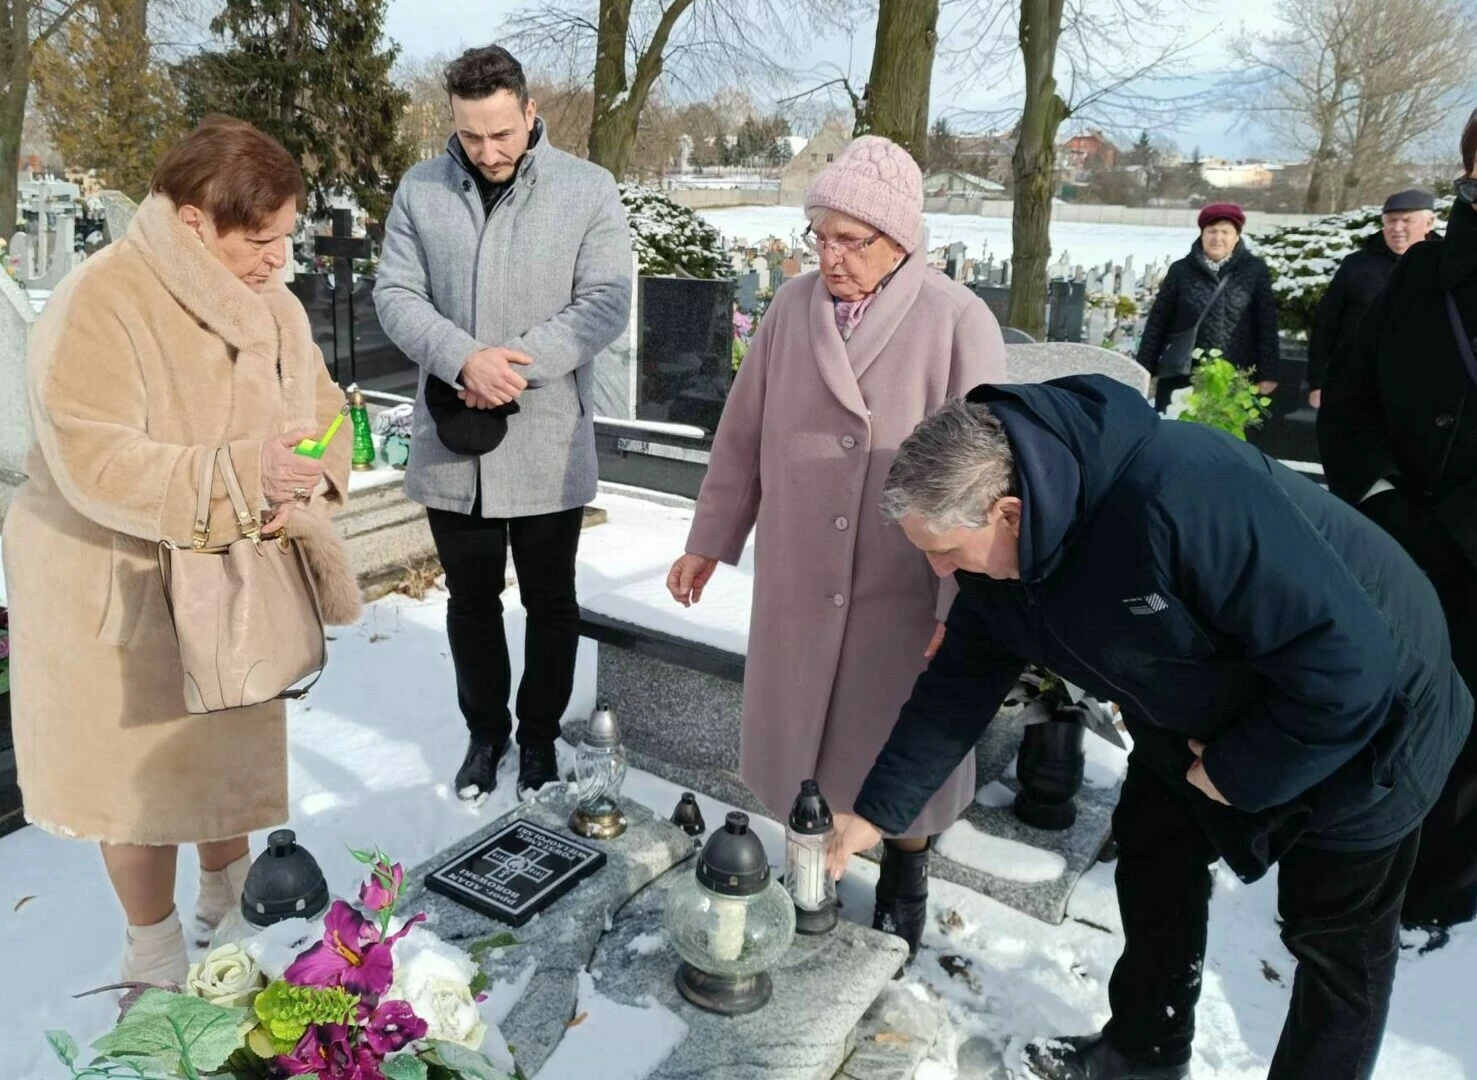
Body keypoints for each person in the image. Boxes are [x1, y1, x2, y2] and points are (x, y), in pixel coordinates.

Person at [826, 377, 1470, 1080]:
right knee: (1155, 853)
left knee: (1334, 944)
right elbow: (959, 684)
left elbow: (1349, 669)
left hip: (1374, 719)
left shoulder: (1180, 496)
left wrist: (1236, 770)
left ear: (1008, 513)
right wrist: (877, 812)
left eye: (945, 550)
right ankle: (1143, 1052)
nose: (938, 569)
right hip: (1196, 701)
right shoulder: (1000, 557)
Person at [0, 117, 362, 984]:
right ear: (194, 218)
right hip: (115, 586)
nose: (279, 260)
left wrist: (306, 475)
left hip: (234, 579)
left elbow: (322, 411)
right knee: (138, 786)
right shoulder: (103, 299)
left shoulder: (272, 303)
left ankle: (227, 898)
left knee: (222, 754)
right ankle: (152, 947)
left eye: (285, 238)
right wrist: (240, 476)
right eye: (260, 240)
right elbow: (94, 458)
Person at [666, 136, 1006, 960]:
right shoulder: (790, 309)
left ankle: (905, 876)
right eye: (819, 236)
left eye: (850, 240)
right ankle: (804, 863)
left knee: (891, 741)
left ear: (899, 240)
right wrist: (710, 539)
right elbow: (742, 434)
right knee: (799, 744)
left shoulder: (956, 320)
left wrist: (960, 607)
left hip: (903, 580)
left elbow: (989, 478)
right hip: (798, 571)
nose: (830, 257)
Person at [375, 45, 633, 803]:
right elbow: (395, 294)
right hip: (453, 439)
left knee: (550, 601)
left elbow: (604, 301)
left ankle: (540, 736)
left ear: (529, 111)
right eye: (470, 135)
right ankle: (485, 734)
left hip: (546, 438)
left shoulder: (587, 189)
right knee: (470, 600)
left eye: (501, 134)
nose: (487, 152)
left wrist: (512, 366)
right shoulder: (421, 189)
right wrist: (463, 359)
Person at [1319, 112, 1477, 936]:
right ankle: (1358, 858)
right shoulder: (1420, 276)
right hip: (1397, 542)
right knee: (1383, 703)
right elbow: (1352, 395)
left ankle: (1437, 893)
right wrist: (1380, 500)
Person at [1136, 202, 1281, 411]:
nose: (1217, 237)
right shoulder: (1180, 271)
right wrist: (1144, 369)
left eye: (1225, 232)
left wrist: (1268, 373)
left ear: (1237, 237)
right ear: (1202, 235)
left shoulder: (1255, 271)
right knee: (1178, 426)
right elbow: (1158, 321)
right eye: (1211, 231)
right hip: (1183, 373)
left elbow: (1267, 324)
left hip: (1235, 374)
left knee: (1224, 429)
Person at [1307, 189, 1437, 408]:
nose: (1397, 228)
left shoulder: (1443, 265)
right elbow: (1325, 324)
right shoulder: (1356, 265)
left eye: (1407, 220)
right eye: (1391, 220)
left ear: (1429, 223)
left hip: (1422, 387)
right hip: (1358, 383)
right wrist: (1317, 382)